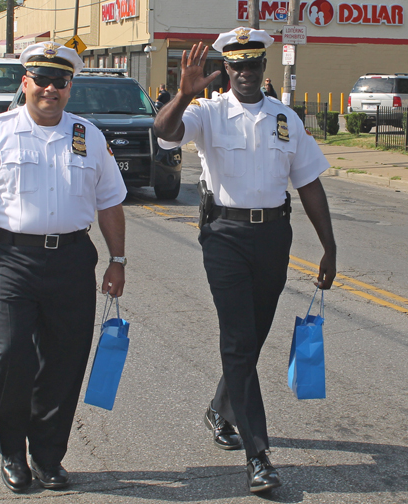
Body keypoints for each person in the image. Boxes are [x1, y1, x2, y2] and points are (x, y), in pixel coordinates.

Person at [153, 27, 336, 493]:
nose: (246, 73)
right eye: (237, 65)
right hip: (225, 237)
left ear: (263, 68)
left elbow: (309, 183)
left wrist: (329, 245)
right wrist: (181, 95)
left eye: (253, 64)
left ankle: (220, 408)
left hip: (274, 236)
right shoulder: (208, 113)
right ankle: (259, 457)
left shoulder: (284, 119)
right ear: (227, 70)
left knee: (251, 337)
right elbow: (165, 133)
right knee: (237, 338)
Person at [0, 41, 127, 493]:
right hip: (12, 259)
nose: (49, 89)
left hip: (72, 259)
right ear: (25, 83)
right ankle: (12, 450)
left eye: (59, 81)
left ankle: (46, 456)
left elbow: (110, 204)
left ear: (70, 86)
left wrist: (118, 260)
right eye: (40, 80)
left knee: (64, 363)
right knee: (10, 355)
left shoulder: (89, 135)